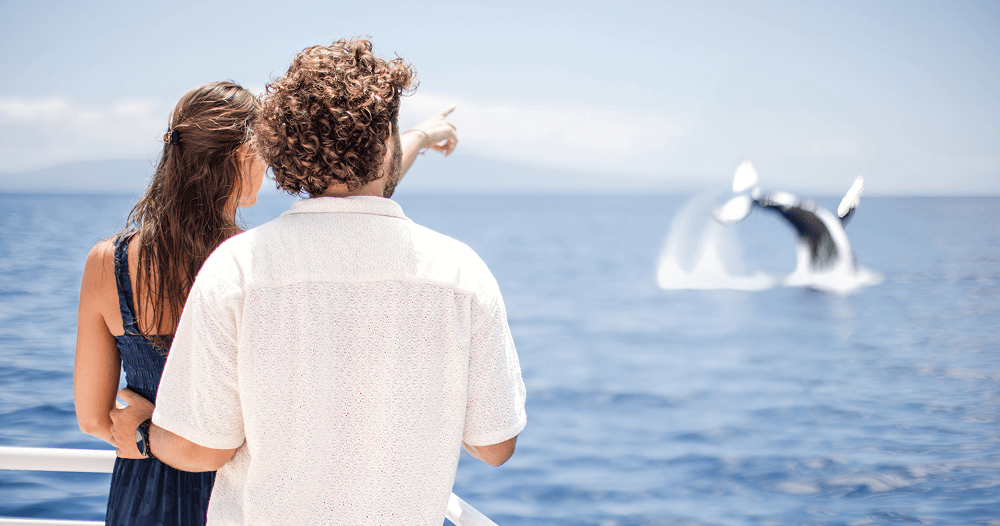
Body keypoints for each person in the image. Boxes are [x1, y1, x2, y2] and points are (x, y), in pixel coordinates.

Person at [110, 38, 526, 525]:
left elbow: (200, 450)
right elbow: (494, 445)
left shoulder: (236, 269)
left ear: (285, 149)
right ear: (388, 141)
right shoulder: (461, 273)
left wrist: (145, 432)